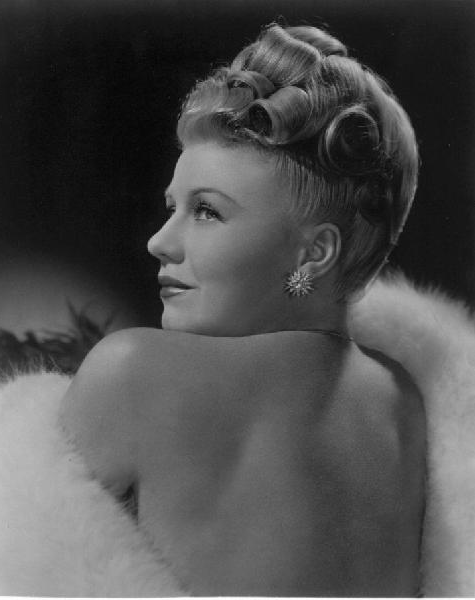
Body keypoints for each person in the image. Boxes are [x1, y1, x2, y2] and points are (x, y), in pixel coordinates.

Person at [60, 23, 426, 596]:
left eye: (207, 211)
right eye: (172, 208)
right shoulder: (404, 399)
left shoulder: (131, 371)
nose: (159, 241)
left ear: (315, 252)